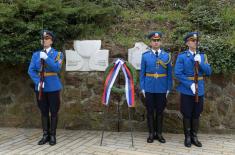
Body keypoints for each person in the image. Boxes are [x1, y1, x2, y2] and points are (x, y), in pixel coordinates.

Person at [174, 32, 212, 147]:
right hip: (187, 89)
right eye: (192, 40)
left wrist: (200, 63)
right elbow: (178, 73)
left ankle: (194, 136)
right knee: (187, 113)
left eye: (196, 40)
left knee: (196, 113)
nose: (195, 42)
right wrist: (189, 84)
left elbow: (208, 71)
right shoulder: (182, 56)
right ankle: (187, 137)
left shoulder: (202, 56)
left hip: (199, 89)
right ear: (187, 43)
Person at [28, 30, 63, 146]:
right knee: (43, 111)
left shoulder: (58, 54)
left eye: (47, 38)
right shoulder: (35, 55)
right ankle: (45, 135)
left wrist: (47, 58)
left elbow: (57, 68)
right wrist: (38, 82)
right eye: (43, 38)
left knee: (53, 111)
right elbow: (31, 70)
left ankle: (52, 135)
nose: (44, 40)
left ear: (51, 41)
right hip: (41, 87)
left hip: (53, 87)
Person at [140, 31, 172, 143]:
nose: (156, 42)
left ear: (161, 41)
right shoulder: (145, 56)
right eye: (154, 40)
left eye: (158, 40)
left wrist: (168, 88)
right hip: (149, 88)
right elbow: (142, 73)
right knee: (149, 112)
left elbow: (169, 74)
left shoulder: (166, 56)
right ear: (151, 42)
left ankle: (159, 133)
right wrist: (143, 88)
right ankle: (151, 133)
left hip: (162, 88)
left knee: (160, 112)